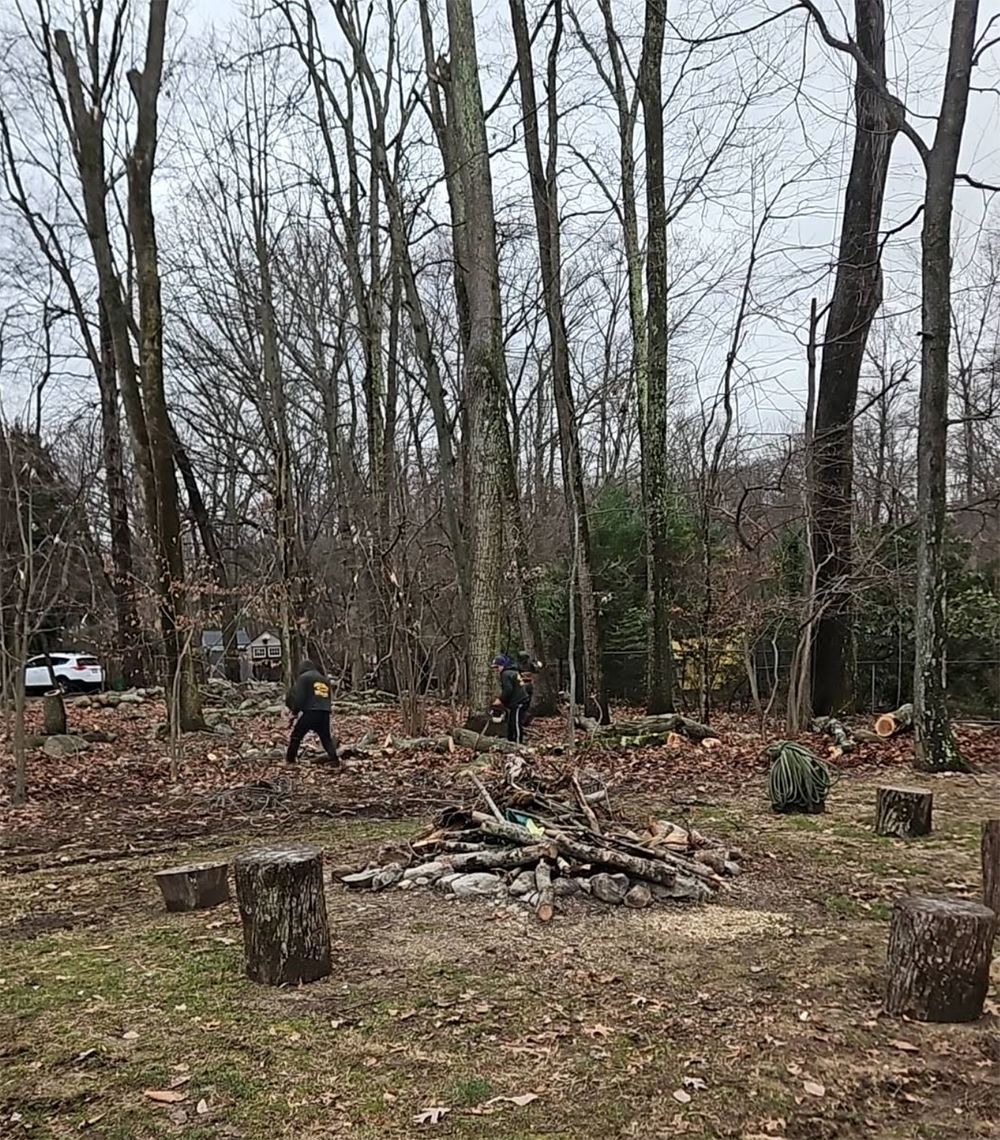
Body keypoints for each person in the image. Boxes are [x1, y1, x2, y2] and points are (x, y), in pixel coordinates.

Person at [285, 659, 340, 765]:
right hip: (324, 712)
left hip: (310, 712)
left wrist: (295, 712)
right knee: (326, 738)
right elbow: (328, 697)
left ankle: (290, 759)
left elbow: (300, 697)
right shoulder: (324, 679)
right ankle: (334, 759)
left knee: (296, 735)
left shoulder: (304, 678)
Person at [491, 654, 530, 744]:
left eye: (497, 667)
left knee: (516, 723)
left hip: (519, 702)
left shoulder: (505, 674)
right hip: (517, 701)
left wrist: (500, 700)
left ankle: (518, 743)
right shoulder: (513, 672)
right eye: (494, 668)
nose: (496, 670)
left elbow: (508, 689)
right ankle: (510, 741)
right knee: (511, 722)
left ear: (502, 665)